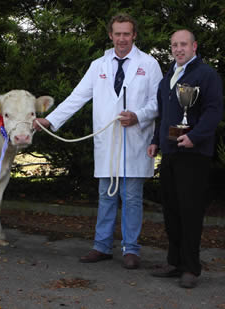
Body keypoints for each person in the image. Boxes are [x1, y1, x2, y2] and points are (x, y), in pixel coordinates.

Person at [34, 13, 162, 269]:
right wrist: (50, 120)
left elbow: (158, 102)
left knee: (132, 197)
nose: (122, 38)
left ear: (134, 35)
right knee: (106, 195)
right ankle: (102, 246)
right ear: (110, 35)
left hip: (135, 140)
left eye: (127, 33)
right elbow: (77, 97)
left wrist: (138, 116)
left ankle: (131, 249)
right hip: (108, 141)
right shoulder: (98, 65)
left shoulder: (149, 64)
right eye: (118, 34)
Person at [147, 30, 223, 288]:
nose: (178, 49)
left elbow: (214, 111)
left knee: (190, 212)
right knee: (171, 210)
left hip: (193, 154)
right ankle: (174, 262)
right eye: (174, 45)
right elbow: (164, 113)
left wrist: (196, 136)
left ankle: (191, 267)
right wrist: (156, 140)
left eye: (183, 44)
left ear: (194, 46)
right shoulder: (169, 75)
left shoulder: (206, 74)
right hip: (169, 152)